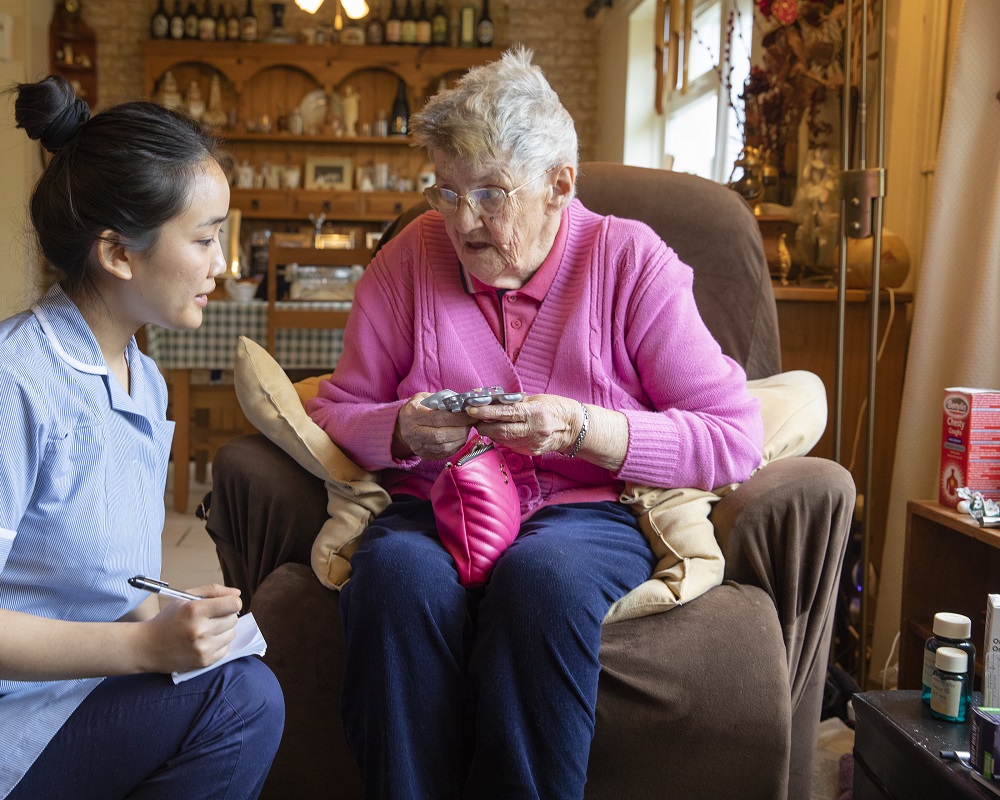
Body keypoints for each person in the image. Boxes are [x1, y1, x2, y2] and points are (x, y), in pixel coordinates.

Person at [305, 48, 764, 799]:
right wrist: (401, 428)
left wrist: (583, 429)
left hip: (585, 514)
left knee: (543, 584)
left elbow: (733, 436)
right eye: (445, 193)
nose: (460, 220)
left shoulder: (630, 262)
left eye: (489, 193)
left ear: (559, 185)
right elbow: (336, 410)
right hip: (437, 505)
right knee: (391, 577)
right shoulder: (407, 260)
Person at [0, 75, 284, 800]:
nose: (222, 264)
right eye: (204, 239)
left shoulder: (144, 379)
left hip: (55, 696)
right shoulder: (1, 383)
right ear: (118, 253)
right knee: (240, 704)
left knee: (246, 681)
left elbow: (100, 579)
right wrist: (145, 646)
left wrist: (169, 616)